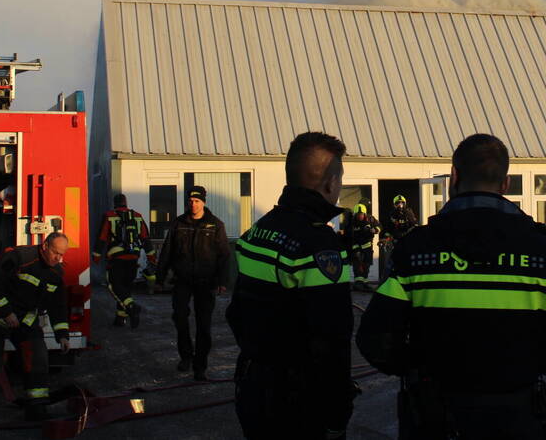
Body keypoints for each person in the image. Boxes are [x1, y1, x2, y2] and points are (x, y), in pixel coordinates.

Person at [357, 134, 546, 440]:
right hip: (517, 417)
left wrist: (420, 367)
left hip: (434, 417)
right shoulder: (545, 254)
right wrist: (524, 364)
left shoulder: (414, 251)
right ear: (505, 184)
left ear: (454, 177)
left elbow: (374, 339)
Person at [228, 132, 355, 439]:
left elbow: (236, 313)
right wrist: (337, 414)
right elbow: (332, 340)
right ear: (330, 183)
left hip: (254, 387)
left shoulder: (259, 230)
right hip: (300, 402)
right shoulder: (319, 244)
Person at [0, 232, 71, 420]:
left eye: (62, 255)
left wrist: (62, 334)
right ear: (45, 246)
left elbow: (58, 305)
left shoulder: (56, 273)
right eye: (56, 253)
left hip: (24, 320)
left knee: (38, 357)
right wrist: (6, 312)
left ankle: (36, 406)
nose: (58, 258)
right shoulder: (18, 257)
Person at [157, 185, 231, 380]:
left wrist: (222, 281)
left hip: (206, 282)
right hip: (182, 280)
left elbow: (224, 255)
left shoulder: (215, 225)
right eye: (190, 201)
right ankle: (186, 357)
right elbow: (167, 251)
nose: (193, 204)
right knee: (180, 318)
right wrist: (160, 277)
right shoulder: (179, 223)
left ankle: (200, 367)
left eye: (197, 201)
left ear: (204, 202)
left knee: (203, 326)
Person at [93, 193, 157, 328]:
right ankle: (120, 319)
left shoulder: (110, 216)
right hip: (134, 258)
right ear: (126, 203)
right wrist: (151, 257)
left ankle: (132, 307)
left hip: (117, 259)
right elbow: (145, 238)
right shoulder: (137, 216)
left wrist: (96, 256)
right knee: (125, 288)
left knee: (114, 286)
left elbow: (102, 237)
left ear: (114, 203)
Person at [344, 203, 380, 287]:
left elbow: (379, 226)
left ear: (365, 214)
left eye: (362, 214)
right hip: (356, 246)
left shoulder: (370, 219)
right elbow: (349, 237)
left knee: (366, 265)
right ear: (355, 214)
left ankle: (365, 282)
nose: (360, 216)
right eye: (358, 214)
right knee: (357, 265)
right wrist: (355, 249)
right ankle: (358, 283)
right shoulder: (352, 223)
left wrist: (375, 229)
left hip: (367, 246)